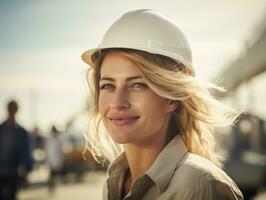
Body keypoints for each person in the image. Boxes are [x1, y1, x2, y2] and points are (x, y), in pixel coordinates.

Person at [81, 9, 244, 200]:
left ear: (172, 98)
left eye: (137, 85)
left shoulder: (200, 187)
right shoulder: (112, 186)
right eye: (108, 85)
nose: (117, 103)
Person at [0, 100, 33, 200]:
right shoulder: (1, 129)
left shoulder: (21, 132)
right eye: (11, 109)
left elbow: (26, 152)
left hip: (13, 171)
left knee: (12, 196)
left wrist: (27, 172)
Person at [45, 125, 64, 194]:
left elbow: (60, 150)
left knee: (54, 174)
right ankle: (51, 187)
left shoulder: (58, 139)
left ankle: (53, 187)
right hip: (51, 159)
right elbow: (47, 150)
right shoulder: (49, 138)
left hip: (56, 159)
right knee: (51, 175)